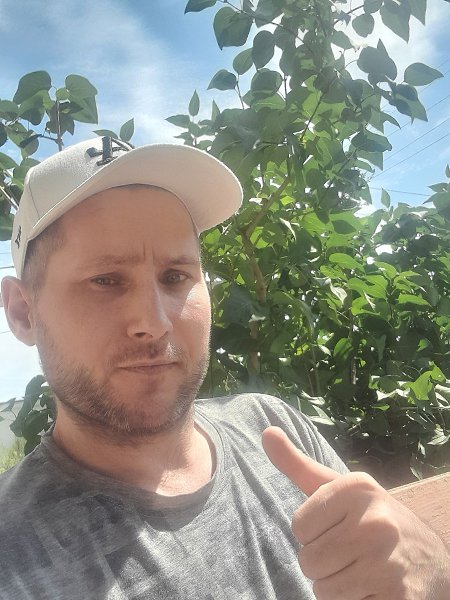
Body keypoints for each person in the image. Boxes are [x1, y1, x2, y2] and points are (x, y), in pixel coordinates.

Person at [0, 136, 448, 600]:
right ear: (22, 312)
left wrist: (433, 570)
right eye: (106, 280)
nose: (154, 322)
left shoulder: (272, 426)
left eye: (176, 276)